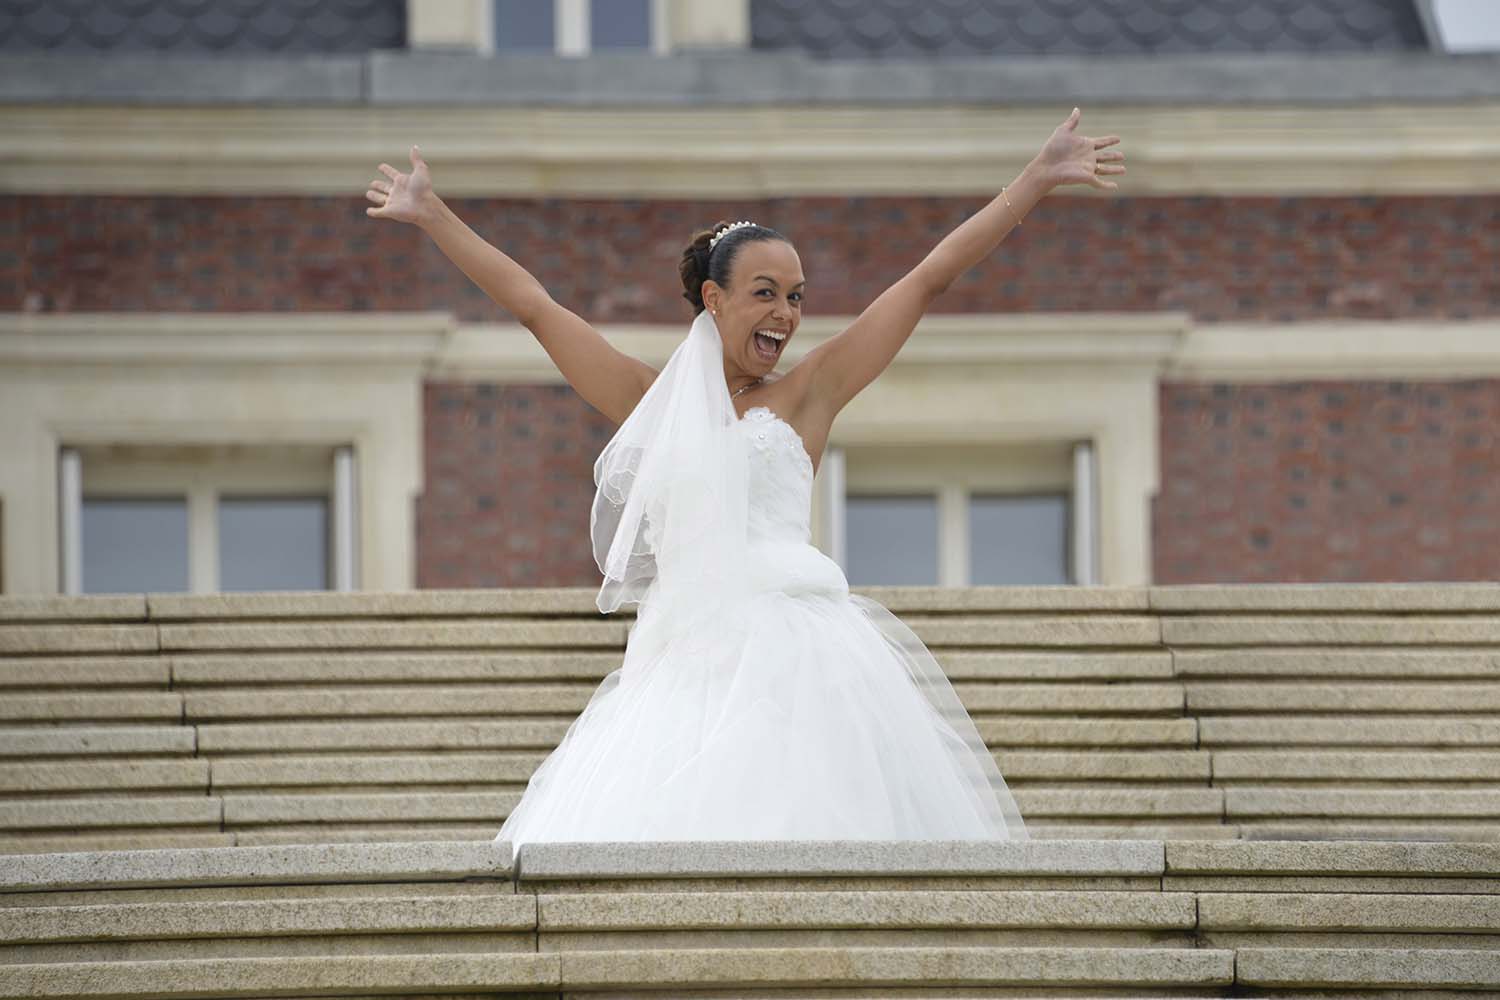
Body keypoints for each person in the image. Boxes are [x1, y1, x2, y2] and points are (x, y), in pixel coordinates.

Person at [366, 109, 1124, 849]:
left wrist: (1036, 179)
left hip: (803, 656)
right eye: (765, 293)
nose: (786, 314)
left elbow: (927, 280)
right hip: (683, 667)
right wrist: (433, 214)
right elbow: (536, 308)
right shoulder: (646, 401)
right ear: (713, 299)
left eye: (796, 296)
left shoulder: (811, 392)